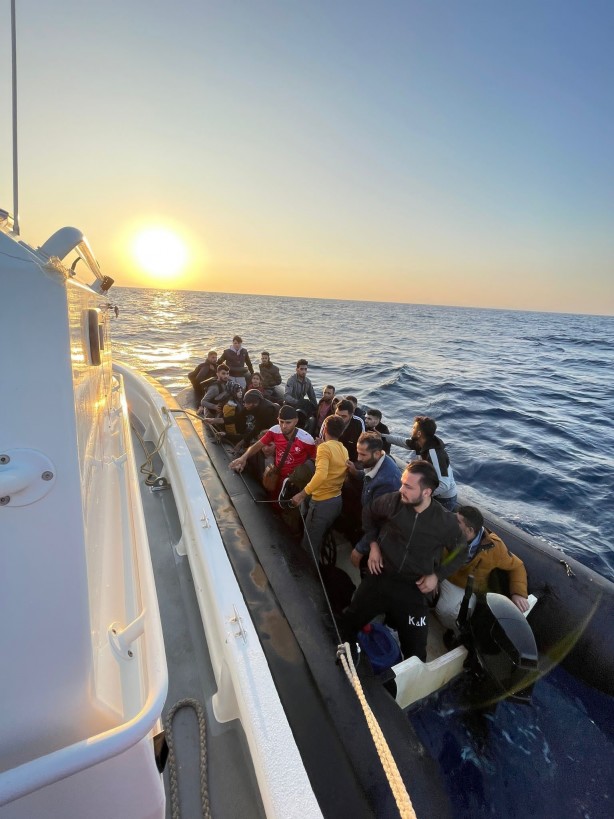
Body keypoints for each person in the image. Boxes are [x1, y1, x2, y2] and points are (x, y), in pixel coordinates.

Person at [340, 461, 467, 661]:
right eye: (402, 483)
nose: (401, 490)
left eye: (408, 486)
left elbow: (460, 552)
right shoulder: (393, 502)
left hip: (414, 587)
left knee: (416, 653)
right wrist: (373, 545)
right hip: (382, 574)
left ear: (426, 492)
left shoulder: (446, 523)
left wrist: (437, 575)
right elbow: (368, 513)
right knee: (348, 621)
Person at [435, 505, 529, 632]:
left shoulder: (494, 547)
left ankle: (457, 634)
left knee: (446, 611)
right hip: (439, 573)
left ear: (469, 530)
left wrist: (518, 593)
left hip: (462, 586)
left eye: (457, 521)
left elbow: (517, 566)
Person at [290, 415, 348, 563]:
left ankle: (310, 578)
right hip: (336, 502)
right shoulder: (343, 449)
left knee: (308, 545)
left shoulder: (324, 448)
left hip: (321, 504)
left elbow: (321, 475)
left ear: (324, 429)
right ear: (342, 431)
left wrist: (302, 494)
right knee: (319, 537)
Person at [229, 405, 316, 493]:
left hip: (293, 481)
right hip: (276, 476)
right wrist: (243, 458)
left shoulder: (306, 439)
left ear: (296, 421)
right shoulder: (274, 431)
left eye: (288, 422)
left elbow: (315, 460)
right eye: (281, 422)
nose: (284, 426)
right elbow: (258, 445)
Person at [346, 432, 402, 565]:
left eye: (363, 454)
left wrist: (361, 548)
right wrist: (356, 472)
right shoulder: (378, 461)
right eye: (358, 453)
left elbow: (379, 522)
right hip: (367, 516)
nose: (358, 458)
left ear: (377, 453)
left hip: (377, 531)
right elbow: (368, 477)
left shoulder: (387, 482)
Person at [383, 416, 457, 511]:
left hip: (443, 499)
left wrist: (419, 494)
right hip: (430, 490)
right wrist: (381, 436)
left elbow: (444, 485)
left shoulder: (435, 454)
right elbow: (403, 441)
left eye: (413, 428)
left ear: (419, 433)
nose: (411, 429)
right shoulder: (421, 442)